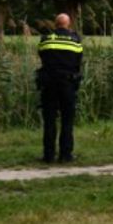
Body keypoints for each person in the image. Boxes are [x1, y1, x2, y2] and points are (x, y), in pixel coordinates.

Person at [36, 13, 84, 163]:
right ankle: (66, 155)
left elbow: (42, 57)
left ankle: (49, 155)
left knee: (50, 119)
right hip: (68, 84)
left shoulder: (46, 40)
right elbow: (78, 62)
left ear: (55, 24)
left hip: (49, 84)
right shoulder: (75, 41)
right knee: (67, 120)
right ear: (68, 24)